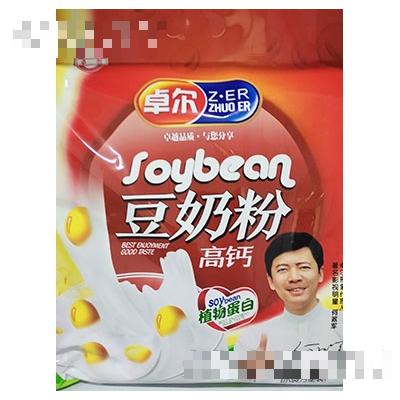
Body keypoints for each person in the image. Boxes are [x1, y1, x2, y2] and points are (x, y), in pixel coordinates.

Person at [235, 232, 342, 351]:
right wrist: (251, 364)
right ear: (271, 281)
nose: (294, 277)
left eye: (304, 267)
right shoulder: (253, 336)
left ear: (320, 274)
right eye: (282, 269)